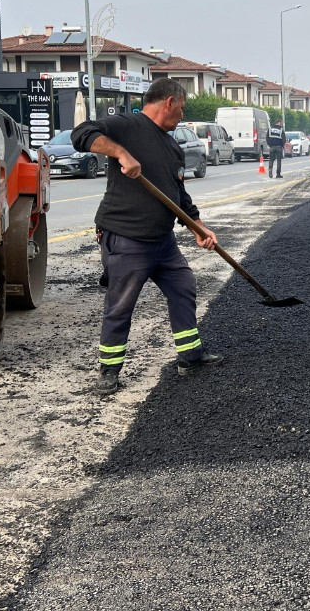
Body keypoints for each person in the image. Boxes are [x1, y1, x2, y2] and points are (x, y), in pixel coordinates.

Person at [70, 78, 223, 395]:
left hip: (163, 243)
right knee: (121, 305)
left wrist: (199, 228)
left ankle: (190, 357)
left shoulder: (171, 146)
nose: (181, 116)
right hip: (127, 238)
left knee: (183, 286)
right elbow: (81, 134)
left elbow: (179, 195)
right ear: (169, 102)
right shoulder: (127, 125)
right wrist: (120, 153)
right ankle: (108, 373)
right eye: (181, 109)